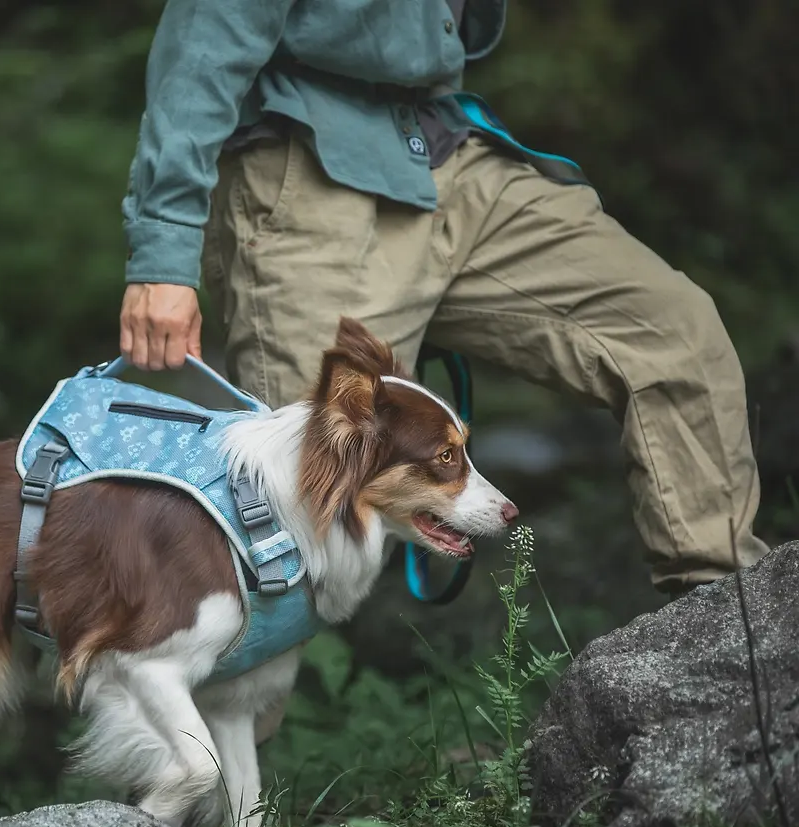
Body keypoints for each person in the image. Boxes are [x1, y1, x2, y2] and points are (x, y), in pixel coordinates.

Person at [116, 0, 769, 602]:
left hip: (444, 148)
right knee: (293, 524)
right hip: (312, 172)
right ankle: (200, 720)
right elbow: (205, 35)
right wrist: (164, 249)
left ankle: (725, 636)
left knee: (674, 333)